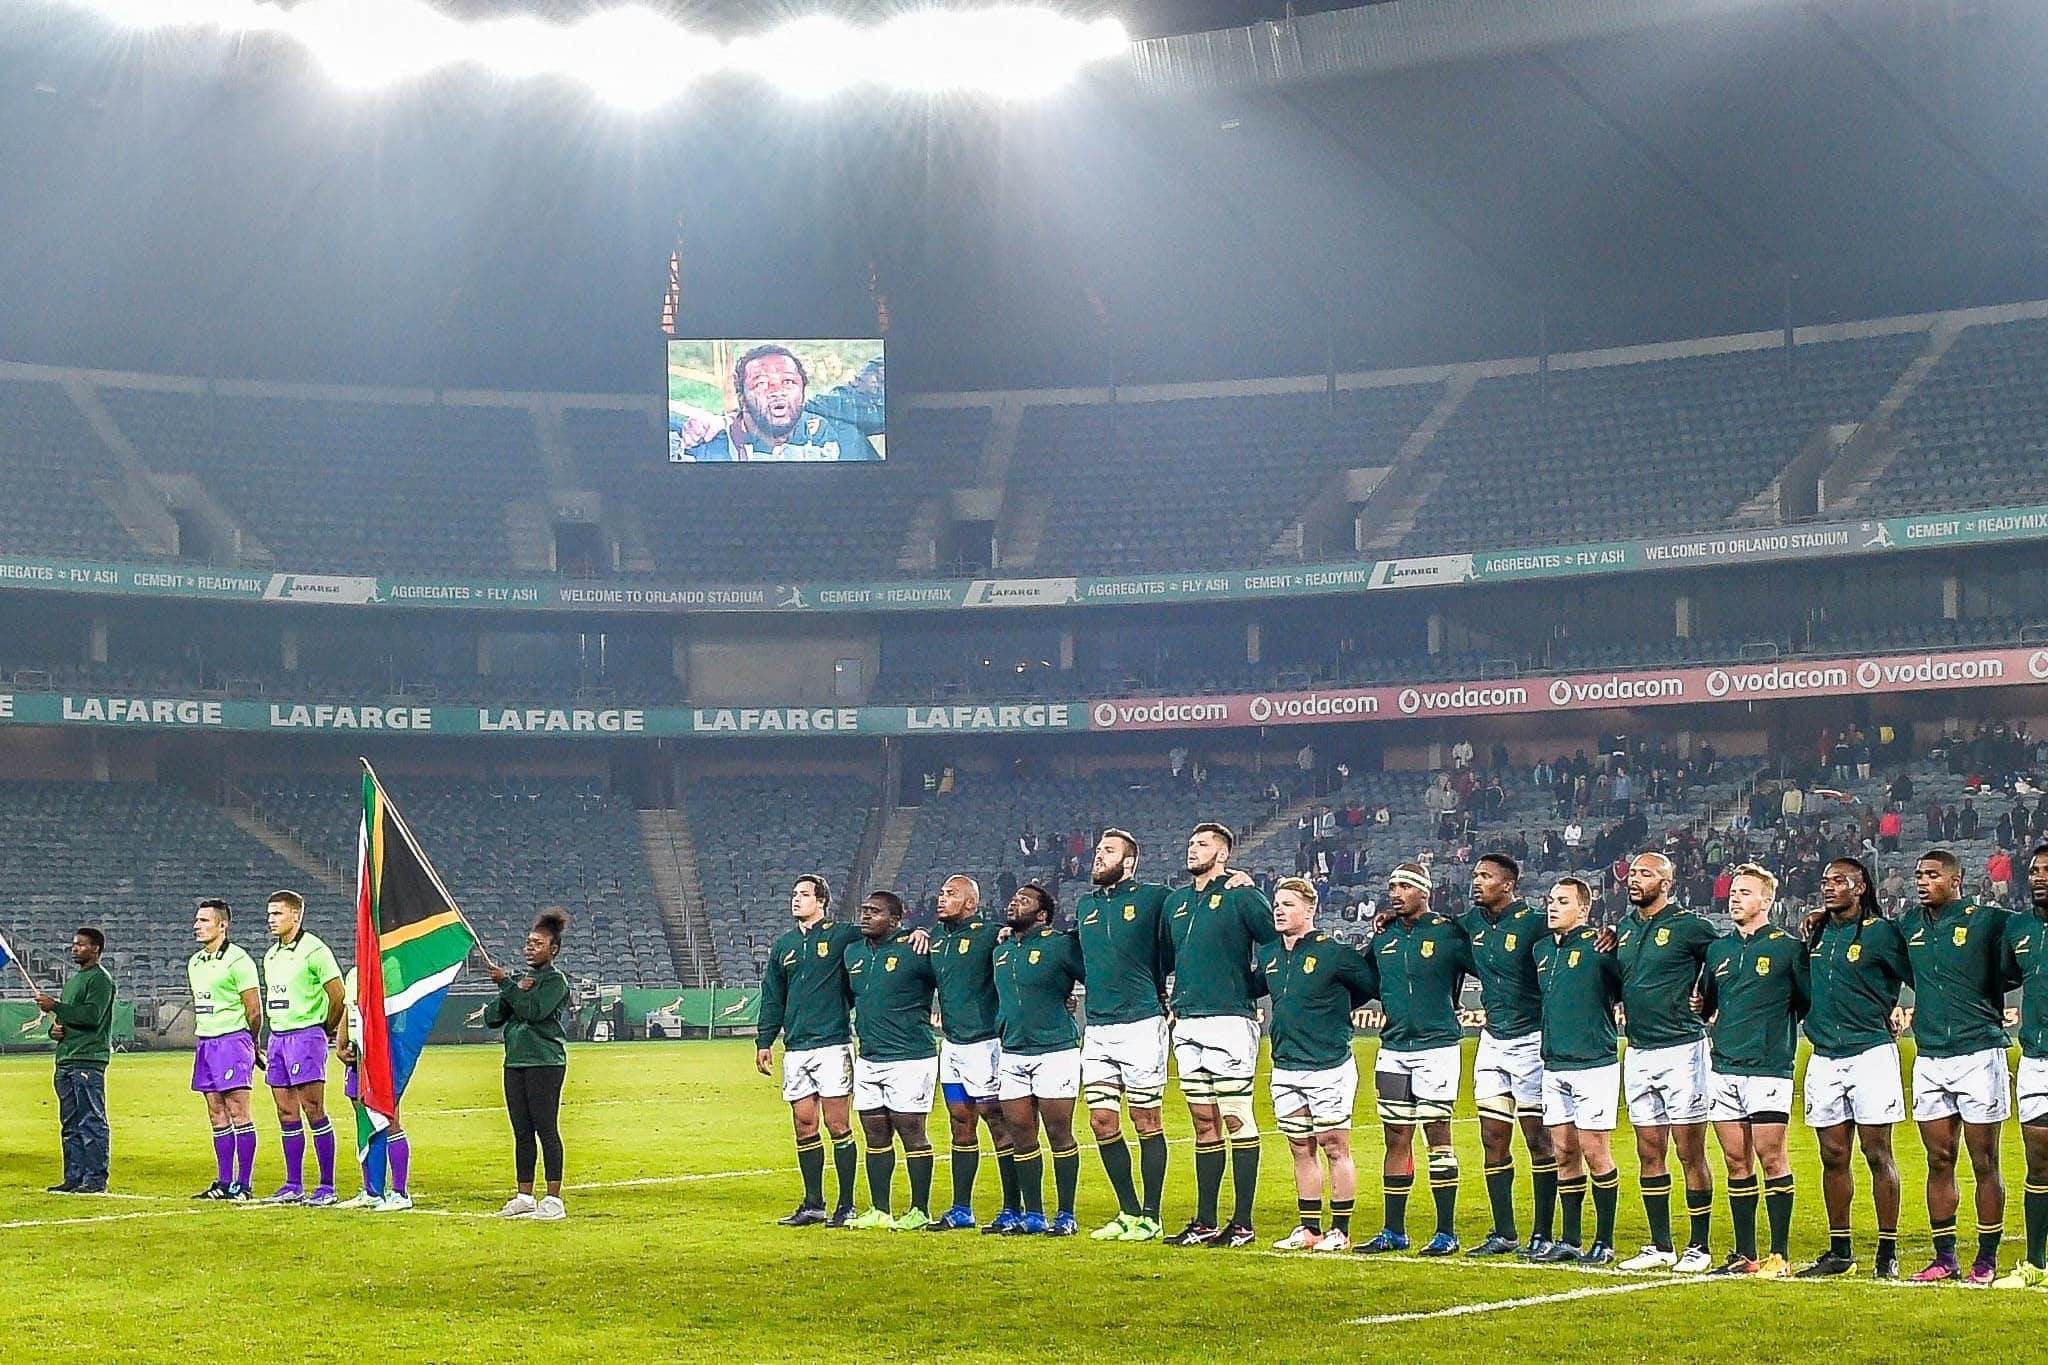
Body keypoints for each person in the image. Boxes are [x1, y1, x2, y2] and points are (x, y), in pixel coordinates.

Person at [1898, 848, 2014, 1284]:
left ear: (1955, 880)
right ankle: (1944, 1258)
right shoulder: (1908, 926)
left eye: (1931, 875)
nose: (1922, 881)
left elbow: (2018, 961)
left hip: (1979, 1053)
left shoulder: (1989, 921)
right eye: (1918, 875)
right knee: (1938, 1159)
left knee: (1984, 1161)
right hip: (1929, 1055)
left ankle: (1986, 1258)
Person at [1161, 823, 1277, 1248]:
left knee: (1235, 1116)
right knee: (1203, 1121)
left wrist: (1251, 989)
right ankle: (1206, 1220)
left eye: (1203, 844)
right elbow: (1161, 957)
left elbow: (1275, 948)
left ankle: (1242, 1222)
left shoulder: (1243, 895)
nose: (1193, 849)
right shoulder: (1175, 903)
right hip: (1187, 1020)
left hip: (1230, 1019)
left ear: (1224, 853)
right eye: (1191, 842)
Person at [1609, 852, 1722, 1273]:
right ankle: (1660, 1245)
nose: (1634, 880)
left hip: (1683, 1051)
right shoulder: (1623, 929)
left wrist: (1707, 999)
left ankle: (1700, 1245)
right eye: (1632, 873)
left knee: (1690, 1150)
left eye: (1645, 874)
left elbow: (1726, 959)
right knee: (1648, 1150)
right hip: (1637, 1050)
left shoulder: (1691, 926)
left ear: (1667, 883)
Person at [1797, 857, 1910, 1279]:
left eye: (1839, 881)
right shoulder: (1817, 932)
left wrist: (1903, 1009)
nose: (1829, 888)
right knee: (1832, 1155)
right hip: (1824, 1055)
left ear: (1860, 888)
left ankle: (1887, 1250)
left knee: (1877, 1152)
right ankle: (1840, 1250)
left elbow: (1917, 975)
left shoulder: (1882, 934)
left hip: (1871, 1054)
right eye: (1825, 881)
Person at [1697, 866, 1809, 1278]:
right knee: (1735, 1160)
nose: (1735, 897)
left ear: (1767, 901)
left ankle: (1778, 1254)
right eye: (1733, 891)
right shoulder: (1719, 951)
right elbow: (1706, 1004)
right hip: (1723, 1065)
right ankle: (1746, 1255)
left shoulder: (1787, 949)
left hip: (1768, 1068)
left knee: (1771, 1156)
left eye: (1745, 892)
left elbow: (1806, 1003)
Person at [1357, 863, 1474, 1256]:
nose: (1395, 892)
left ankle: (1446, 1231)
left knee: (1438, 1136)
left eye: (1404, 886)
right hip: (1392, 1049)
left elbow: (1489, 967)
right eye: (1392, 885)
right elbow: (1359, 977)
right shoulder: (1384, 936)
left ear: (1425, 891)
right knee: (1395, 1136)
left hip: (1437, 1048)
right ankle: (1394, 1230)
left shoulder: (1448, 933)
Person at [1259, 878, 1377, 1252]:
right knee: (1299, 1148)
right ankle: (1309, 1229)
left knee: (1334, 1146)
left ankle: (1339, 1231)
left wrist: (1335, 1011)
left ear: (1310, 910)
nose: (1279, 910)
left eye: (1289, 904)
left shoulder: (1334, 953)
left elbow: (1368, 985)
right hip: (1285, 1065)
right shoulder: (1270, 954)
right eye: (1277, 904)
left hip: (1328, 1064)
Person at [1072, 829, 1178, 1242]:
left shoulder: (1155, 898)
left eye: (1108, 851)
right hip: (1096, 1025)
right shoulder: (1086, 906)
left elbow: (1182, 932)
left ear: (1129, 862)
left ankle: (1152, 1215)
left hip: (1141, 1021)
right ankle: (1128, 1212)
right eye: (1098, 850)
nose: (1098, 857)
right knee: (1101, 1120)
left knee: (1146, 1118)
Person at [1458, 854, 1558, 1258]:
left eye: (1485, 876)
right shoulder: (1472, 924)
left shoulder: (1534, 923)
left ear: (1508, 884)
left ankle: (1544, 1233)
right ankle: (1504, 1232)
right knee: (1492, 1137)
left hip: (1532, 1040)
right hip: (1492, 1041)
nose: (1477, 882)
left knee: (1538, 1138)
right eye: (1476, 875)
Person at [756, 874, 863, 1228]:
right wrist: (764, 1040)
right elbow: (773, 996)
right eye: (794, 894)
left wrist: (917, 934)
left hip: (832, 1043)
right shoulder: (784, 945)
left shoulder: (842, 935)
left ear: (822, 900)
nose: (796, 900)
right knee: (804, 1124)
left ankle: (846, 1205)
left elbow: (881, 933)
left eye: (804, 894)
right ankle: (814, 1204)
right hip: (797, 1047)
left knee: (838, 1124)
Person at [1531, 877, 1624, 1265]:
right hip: (1554, 1065)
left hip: (1594, 1064)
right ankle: (1569, 1239)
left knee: (1594, 1151)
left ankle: (1604, 1241)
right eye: (1551, 900)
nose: (1553, 906)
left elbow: (1623, 987)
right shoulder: (1541, 950)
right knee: (1563, 1151)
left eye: (1563, 901)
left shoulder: (1600, 948)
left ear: (1584, 910)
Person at [992, 884, 1087, 1236]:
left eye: (1025, 900)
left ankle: (1066, 1214)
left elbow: (1090, 974)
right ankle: (1033, 1214)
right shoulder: (1001, 950)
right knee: (1020, 1133)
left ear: (1043, 915)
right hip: (1013, 1051)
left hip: (1055, 1049)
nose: (1015, 902)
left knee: (1059, 1131)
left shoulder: (1060, 945)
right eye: (1014, 898)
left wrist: (1068, 999)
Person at [843, 891, 940, 1230]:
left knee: (912, 1131)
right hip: (869, 1056)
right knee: (875, 1133)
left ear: (897, 919)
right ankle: (880, 1209)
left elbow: (952, 979)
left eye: (875, 912)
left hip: (911, 1057)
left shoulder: (915, 949)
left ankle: (919, 1209)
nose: (866, 916)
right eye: (864, 910)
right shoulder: (853, 952)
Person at [923, 875, 1010, 1234]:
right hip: (953, 1047)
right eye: (941, 892)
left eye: (950, 894)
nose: (941, 899)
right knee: (960, 1122)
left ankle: (1013, 1208)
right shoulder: (936, 938)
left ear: (971, 904)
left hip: (985, 1044)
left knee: (997, 1122)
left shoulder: (991, 935)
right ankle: (962, 1209)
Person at [260, 889, 345, 1206]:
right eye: (269, 914)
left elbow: (337, 995)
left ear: (296, 915)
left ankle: (326, 1186)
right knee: (285, 1111)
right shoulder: (271, 955)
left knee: (313, 1109)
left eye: (278, 913)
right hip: (279, 1038)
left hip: (306, 1036)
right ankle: (293, 1183)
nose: (271, 919)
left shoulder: (315, 950)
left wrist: (324, 1028)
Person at [487, 909, 572, 1221]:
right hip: (516, 1062)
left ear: (553, 950)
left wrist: (508, 986)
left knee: (546, 1128)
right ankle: (524, 1196)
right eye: (528, 942)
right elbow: (492, 1018)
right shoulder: (521, 981)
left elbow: (534, 1011)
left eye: (537, 943)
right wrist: (507, 989)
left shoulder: (555, 981)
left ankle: (553, 1199)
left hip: (545, 1062)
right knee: (521, 1131)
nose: (529, 947)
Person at [675, 344, 880, 462]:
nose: (777, 391)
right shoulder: (708, 447)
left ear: (803, 390)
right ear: (741, 395)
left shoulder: (845, 435)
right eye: (762, 383)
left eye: (788, 382)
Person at [1994, 847, 2048, 1288]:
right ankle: (2034, 1263)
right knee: (2039, 1163)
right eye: (2034, 870)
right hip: (2036, 1059)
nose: (2039, 877)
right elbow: (2007, 975)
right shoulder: (2019, 927)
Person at [186, 899, 262, 1201]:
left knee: (238, 1112)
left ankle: (243, 1184)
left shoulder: (239, 961)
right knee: (216, 1113)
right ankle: (223, 1182)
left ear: (222, 925)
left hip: (233, 1041)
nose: (197, 925)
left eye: (204, 920)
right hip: (206, 1042)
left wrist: (250, 1043)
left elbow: (254, 1010)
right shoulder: (194, 962)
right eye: (196, 920)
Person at [36, 926, 116, 1194]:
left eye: (80, 944)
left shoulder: (100, 980)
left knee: (91, 1120)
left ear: (95, 948)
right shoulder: (74, 981)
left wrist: (56, 1006)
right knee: (70, 1122)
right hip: (66, 1058)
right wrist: (54, 1030)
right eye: (73, 944)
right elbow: (64, 1021)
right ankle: (73, 1177)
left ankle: (95, 1178)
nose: (74, 948)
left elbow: (91, 1017)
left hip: (88, 1059)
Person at [335, 965, 411, 1211]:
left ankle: (400, 1193)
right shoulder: (356, 971)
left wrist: (381, 1049)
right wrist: (341, 1043)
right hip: (358, 1056)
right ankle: (372, 1191)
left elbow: (399, 1017)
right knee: (364, 1119)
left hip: (382, 1054)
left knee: (389, 1119)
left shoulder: (391, 968)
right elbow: (349, 1010)